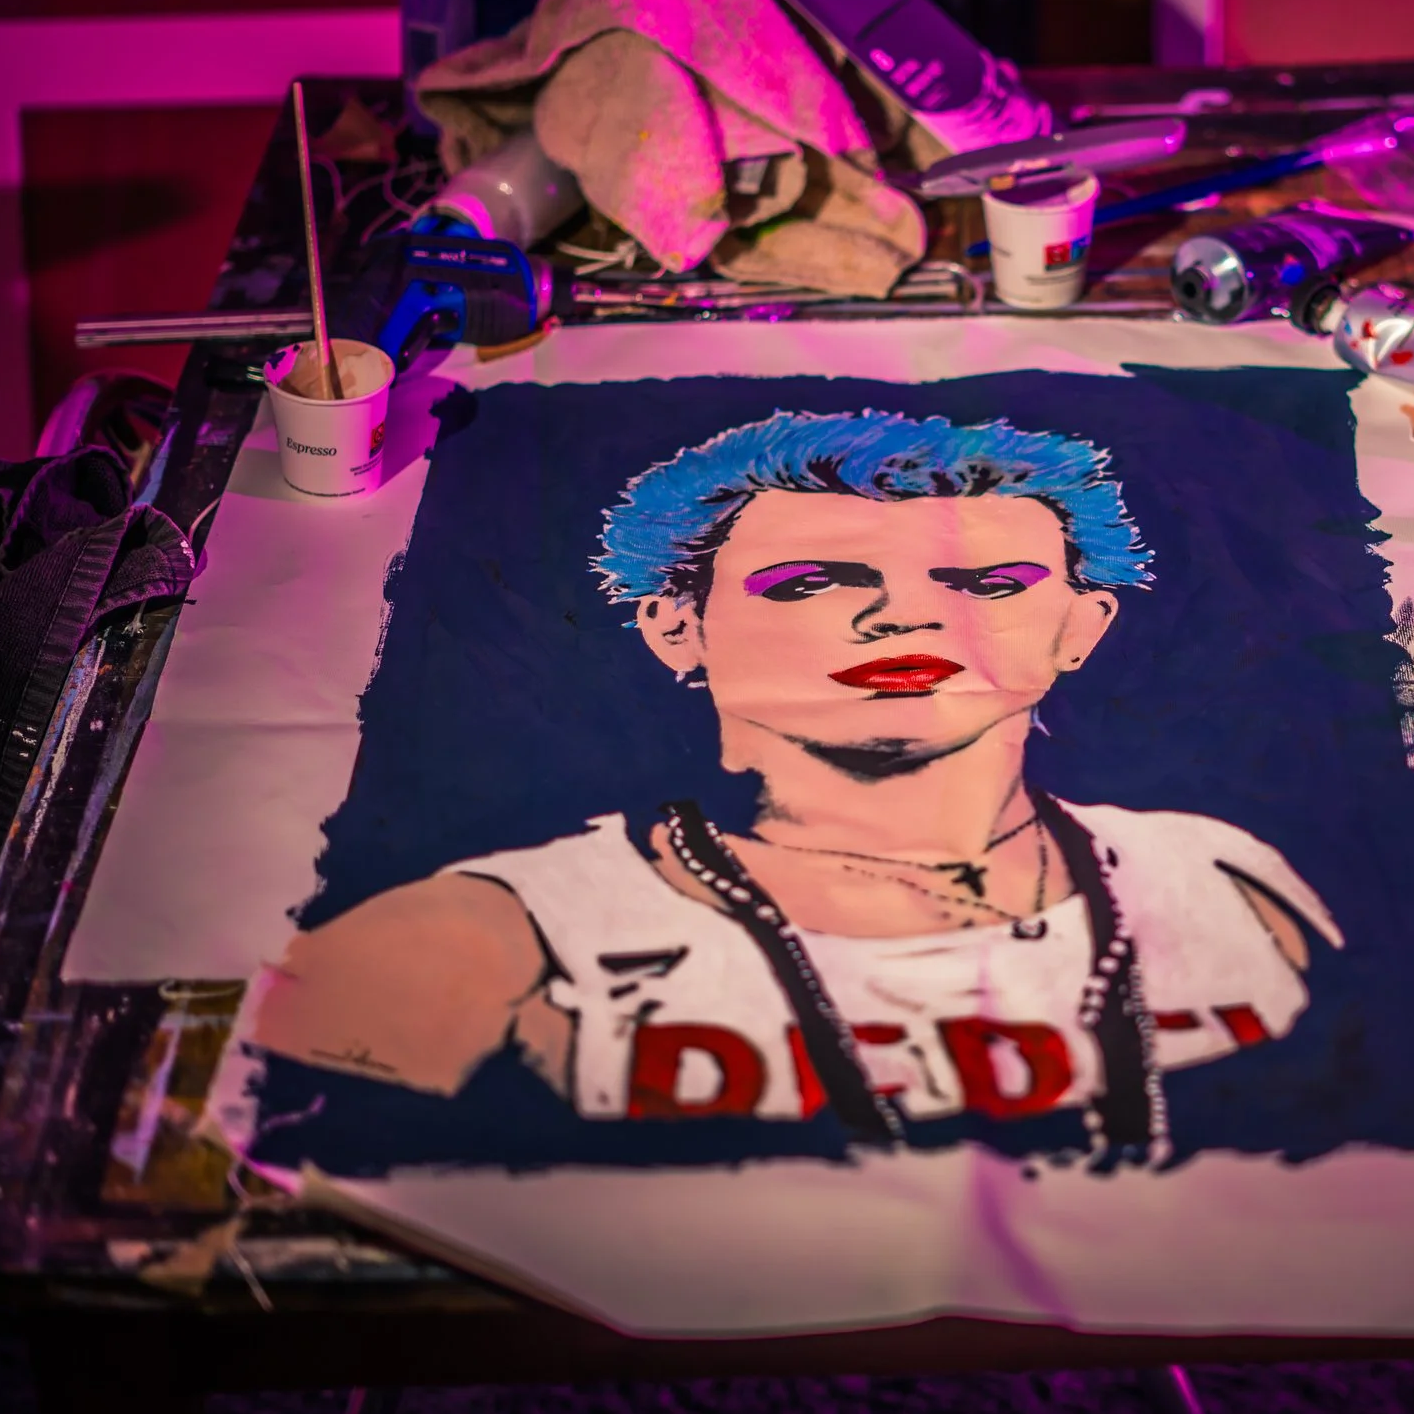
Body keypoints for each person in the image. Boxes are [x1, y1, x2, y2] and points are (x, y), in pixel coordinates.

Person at [248, 409, 1341, 1156]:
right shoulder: (488, 935)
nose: (909, 617)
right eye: (812, 580)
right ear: (678, 626)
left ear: (1081, 624)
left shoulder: (1220, 876)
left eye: (988, 580)